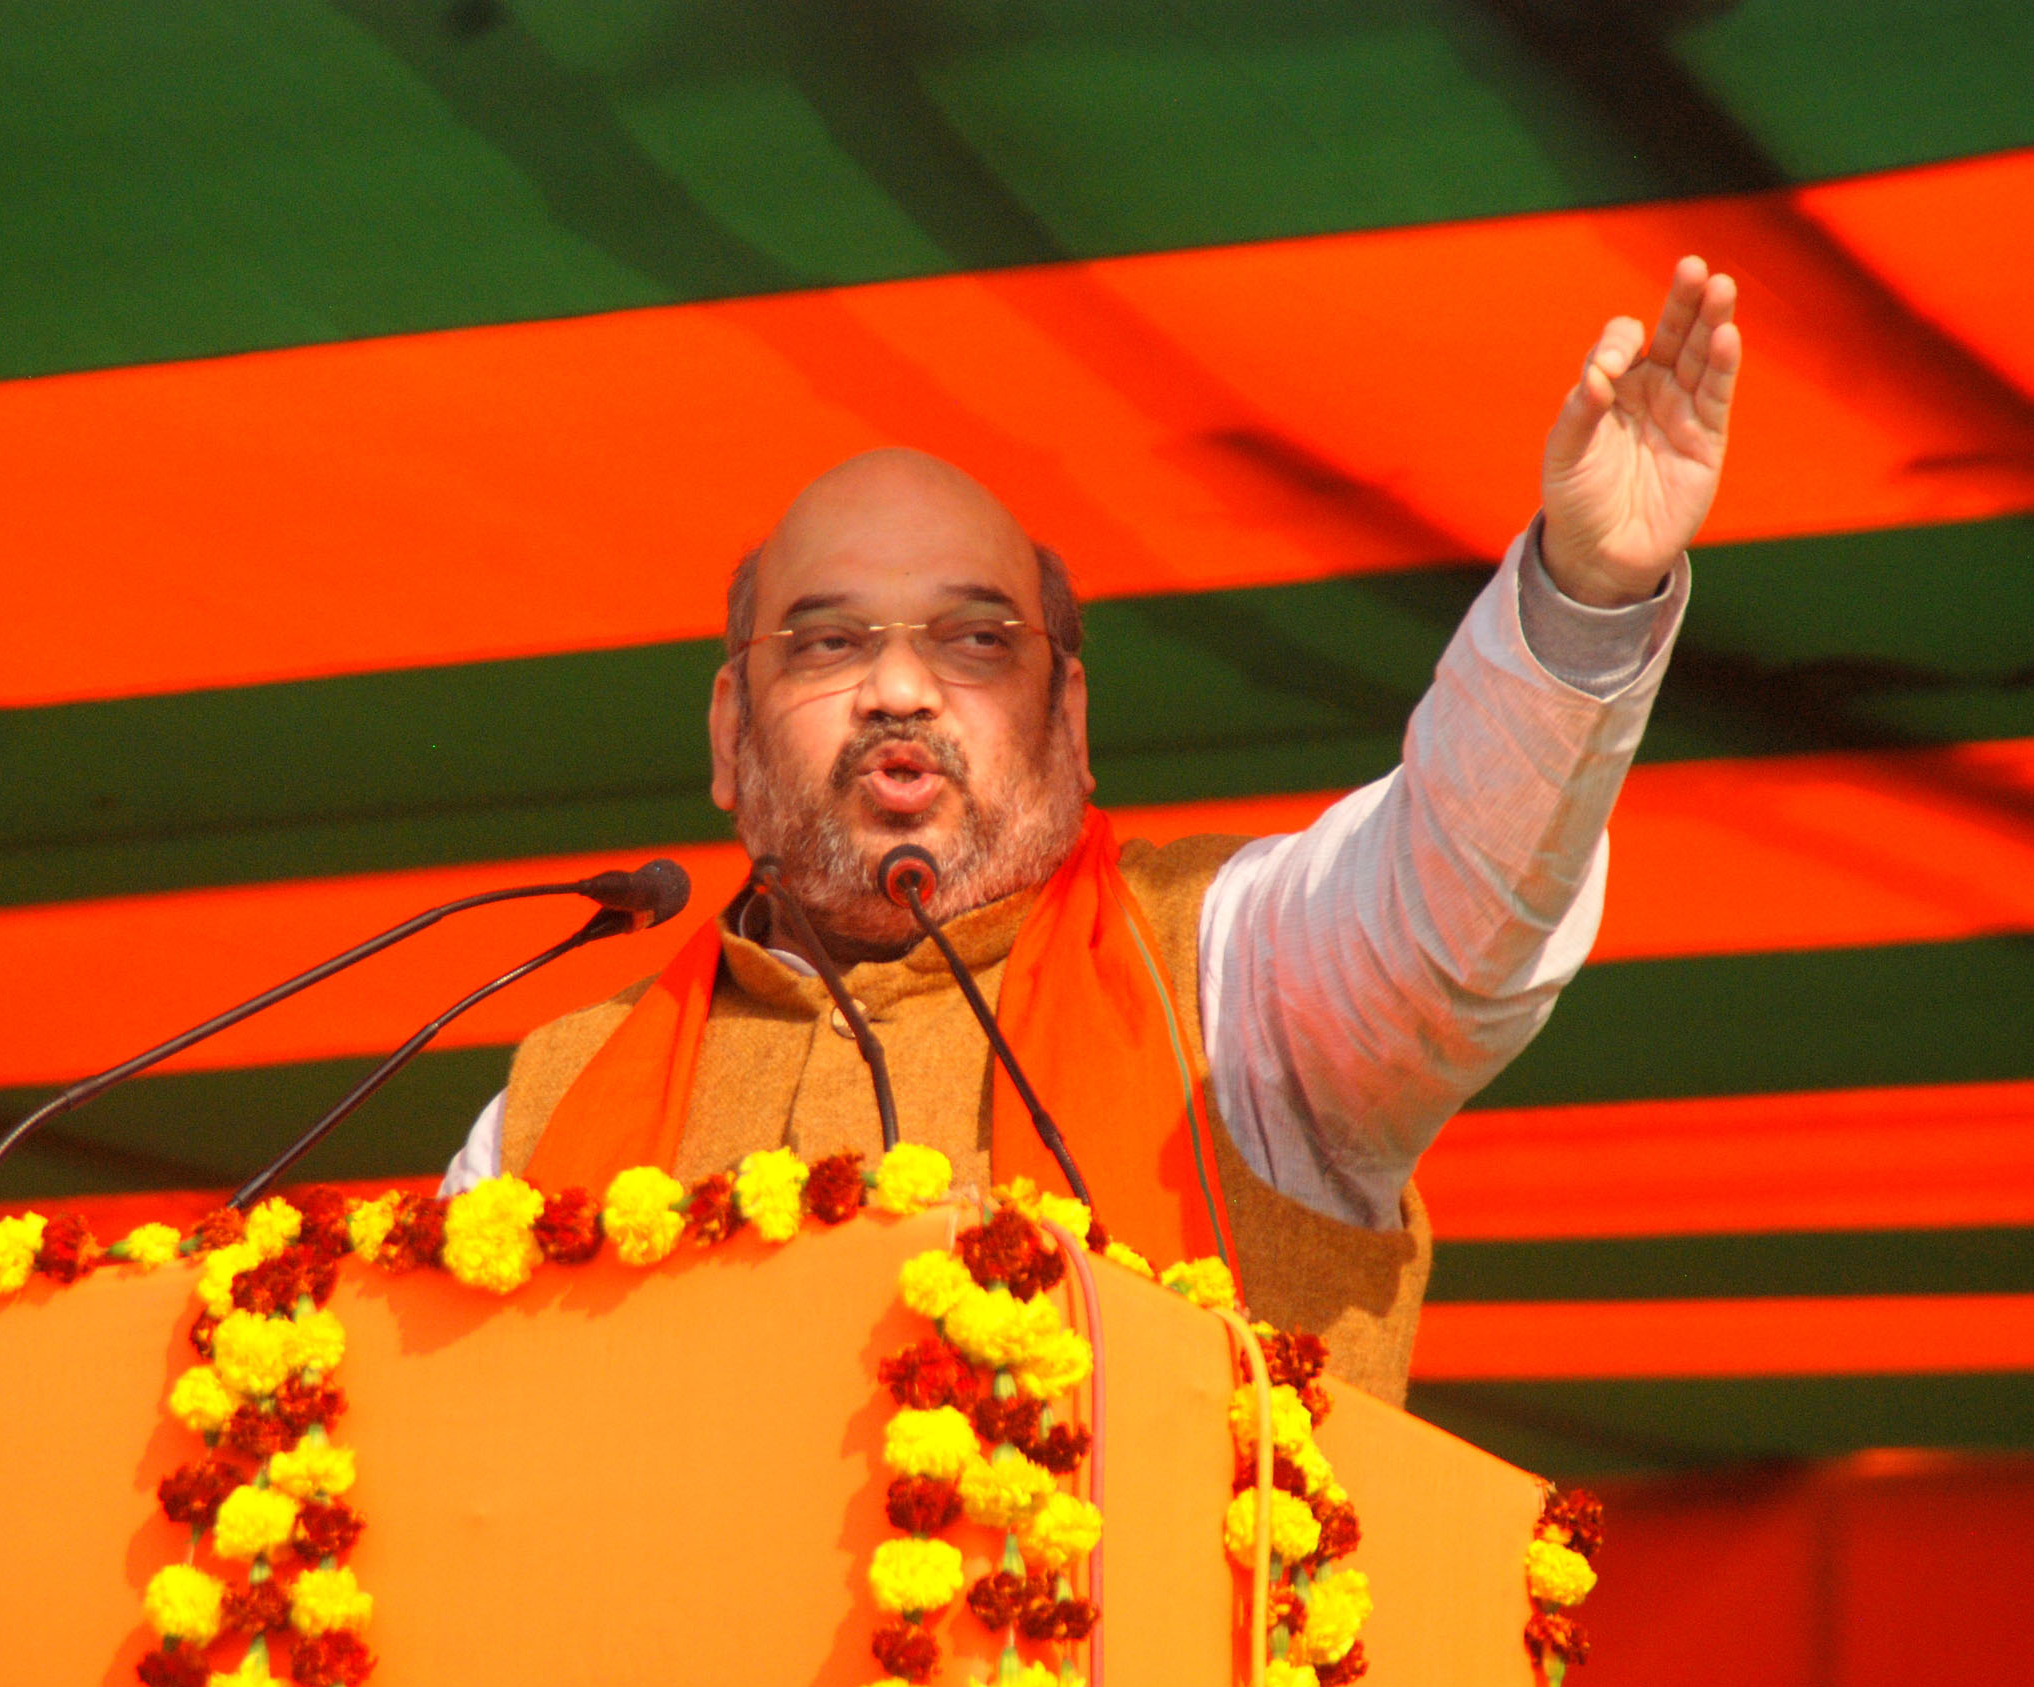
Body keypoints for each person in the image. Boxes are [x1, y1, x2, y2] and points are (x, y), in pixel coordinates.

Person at [441, 258, 1740, 1402]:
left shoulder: (1223, 979)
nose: (899, 689)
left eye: (972, 642)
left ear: (1068, 720)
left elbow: (1454, 910)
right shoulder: (547, 1105)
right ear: (730, 730)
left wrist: (1585, 596)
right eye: (830, 642)